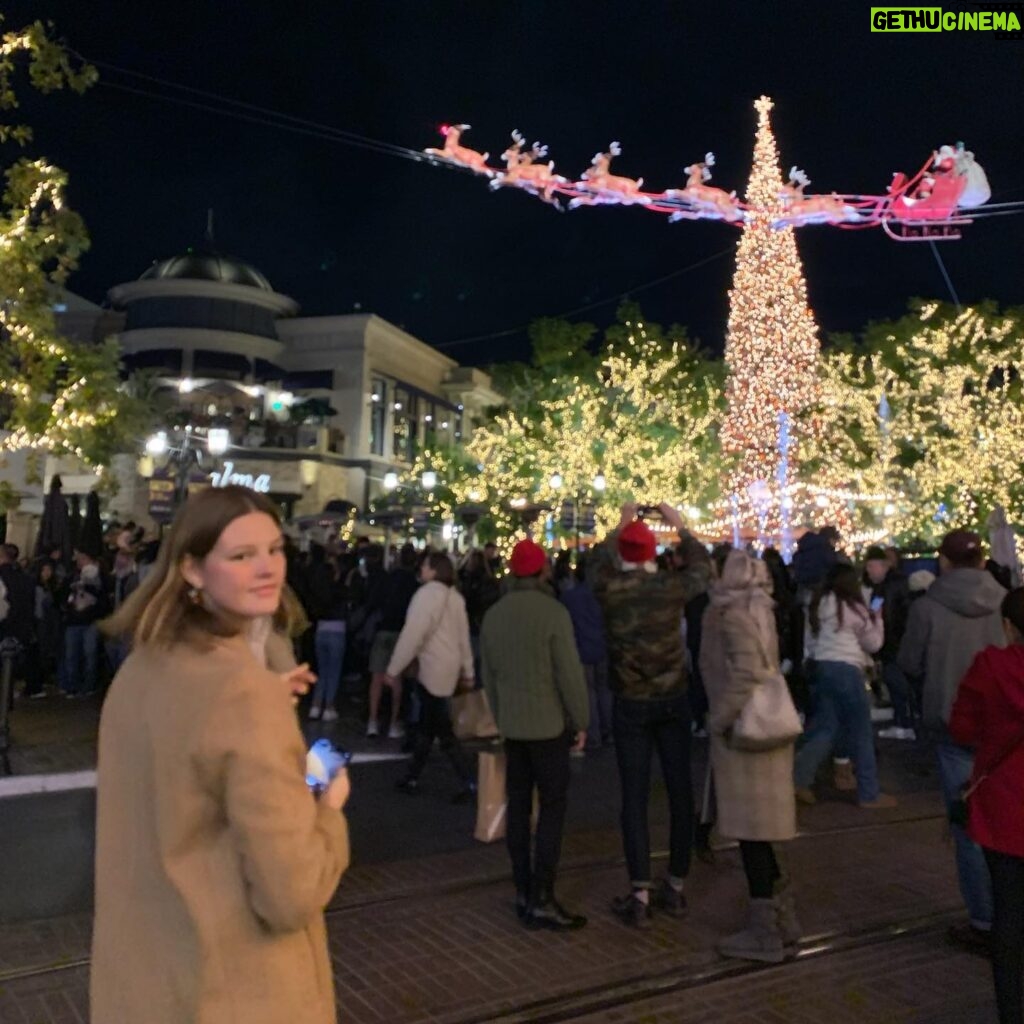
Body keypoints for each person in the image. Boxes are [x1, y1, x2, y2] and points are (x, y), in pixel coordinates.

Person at [91, 485, 351, 1024]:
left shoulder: (142, 669)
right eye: (240, 555)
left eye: (275, 550)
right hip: (235, 990)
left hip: (144, 983)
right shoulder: (244, 692)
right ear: (191, 568)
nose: (267, 569)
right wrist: (326, 807)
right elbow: (291, 894)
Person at [593, 503, 704, 927]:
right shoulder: (672, 588)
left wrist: (621, 524)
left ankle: (639, 890)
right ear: (653, 553)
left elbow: (595, 564)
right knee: (680, 792)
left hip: (631, 702)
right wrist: (682, 528)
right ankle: (675, 885)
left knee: (634, 797)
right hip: (673, 698)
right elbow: (702, 569)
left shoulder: (611, 589)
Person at [898, 528, 1006, 952]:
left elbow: (909, 660)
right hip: (1005, 725)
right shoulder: (1005, 602)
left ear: (942, 561)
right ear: (982, 560)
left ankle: (983, 919)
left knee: (967, 825)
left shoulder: (927, 608)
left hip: (951, 724)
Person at [481, 538, 590, 930]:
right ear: (542, 570)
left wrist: (501, 714)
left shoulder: (494, 615)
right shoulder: (553, 613)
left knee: (518, 805)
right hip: (549, 726)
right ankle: (544, 894)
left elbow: (488, 677)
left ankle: (523, 889)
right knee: (552, 808)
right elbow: (569, 674)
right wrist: (580, 720)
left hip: (513, 726)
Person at [701, 550, 800, 963]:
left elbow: (746, 673)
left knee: (751, 835)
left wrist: (717, 719)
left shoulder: (733, 615)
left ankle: (764, 932)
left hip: (746, 734)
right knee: (761, 834)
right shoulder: (762, 611)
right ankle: (782, 916)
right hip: (768, 730)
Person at [949, 587, 1024, 1024]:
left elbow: (962, 727)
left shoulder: (991, 667)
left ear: (1009, 626)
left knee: (1009, 913)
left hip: (1005, 808)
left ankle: (1011, 1010)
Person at [793, 563, 896, 808]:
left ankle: (798, 778)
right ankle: (869, 792)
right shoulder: (854, 608)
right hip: (847, 670)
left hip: (820, 668)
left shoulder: (817, 605)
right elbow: (873, 644)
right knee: (860, 731)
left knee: (825, 728)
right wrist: (877, 620)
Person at [387, 551, 476, 800]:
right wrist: (468, 670)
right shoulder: (455, 598)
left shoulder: (425, 596)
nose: (421, 569)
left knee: (440, 728)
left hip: (431, 669)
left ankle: (467, 780)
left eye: (425, 565)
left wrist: (394, 668)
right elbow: (463, 637)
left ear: (434, 570)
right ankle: (414, 775)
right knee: (431, 724)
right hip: (450, 667)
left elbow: (412, 635)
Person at [366, 543, 418, 737]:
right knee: (396, 679)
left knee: (377, 678)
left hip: (383, 630)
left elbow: (375, 601)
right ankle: (394, 723)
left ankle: (372, 720)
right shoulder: (414, 583)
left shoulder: (388, 579)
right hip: (401, 632)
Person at [862, 545, 914, 739]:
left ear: (882, 566)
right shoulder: (891, 584)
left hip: (893, 643)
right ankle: (904, 720)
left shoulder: (887, 587)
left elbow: (888, 617)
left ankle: (903, 722)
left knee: (896, 682)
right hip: (895, 643)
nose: (868, 571)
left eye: (870, 566)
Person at [560, 558, 611, 751]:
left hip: (581, 649)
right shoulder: (602, 596)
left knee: (588, 693)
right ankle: (608, 730)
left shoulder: (569, 597)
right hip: (602, 647)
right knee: (604, 690)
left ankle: (593, 734)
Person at [305, 544, 348, 722]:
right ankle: (329, 706)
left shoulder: (318, 590)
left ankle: (315, 705)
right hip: (337, 629)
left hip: (321, 629)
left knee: (322, 671)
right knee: (334, 671)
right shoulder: (339, 589)